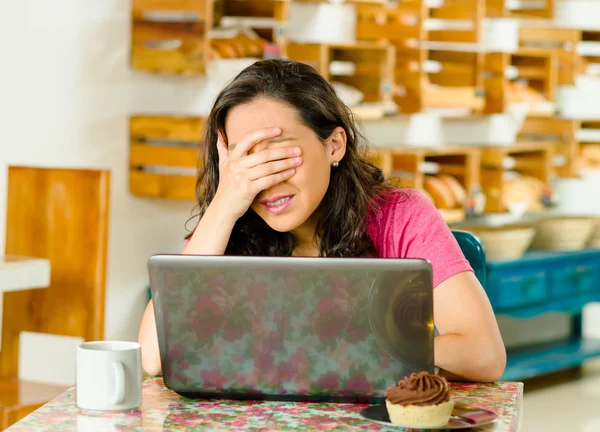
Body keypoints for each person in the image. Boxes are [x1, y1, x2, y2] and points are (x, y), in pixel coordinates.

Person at [138, 59, 506, 381]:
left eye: (280, 156)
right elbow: (154, 356)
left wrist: (356, 348)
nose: (267, 180)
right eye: (247, 162)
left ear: (334, 146)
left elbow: (484, 354)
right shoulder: (227, 223)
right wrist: (223, 206)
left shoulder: (401, 215)